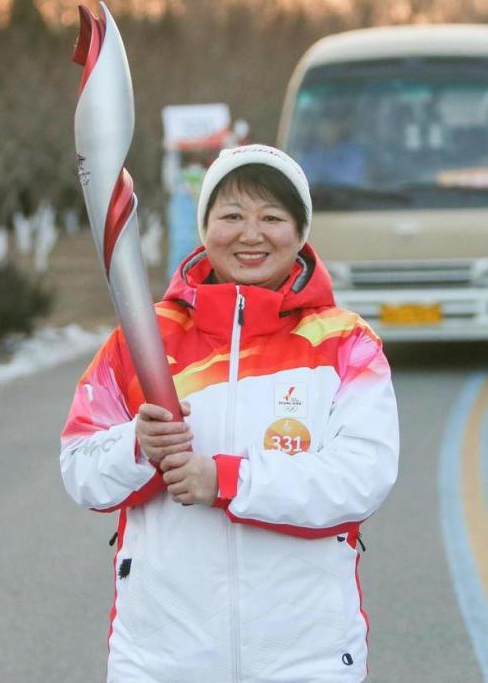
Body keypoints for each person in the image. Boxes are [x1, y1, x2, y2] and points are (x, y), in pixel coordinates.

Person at [60, 144, 399, 683]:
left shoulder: (344, 344)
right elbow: (80, 470)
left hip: (304, 656)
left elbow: (362, 477)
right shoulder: (144, 339)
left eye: (272, 217)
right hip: (161, 658)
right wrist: (137, 447)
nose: (251, 234)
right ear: (205, 225)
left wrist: (225, 478)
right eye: (232, 216)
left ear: (300, 229)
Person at [298, 103, 367, 186]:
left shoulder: (352, 154)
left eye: (332, 125)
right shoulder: (311, 154)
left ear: (339, 128)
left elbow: (348, 182)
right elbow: (302, 179)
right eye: (323, 124)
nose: (326, 129)